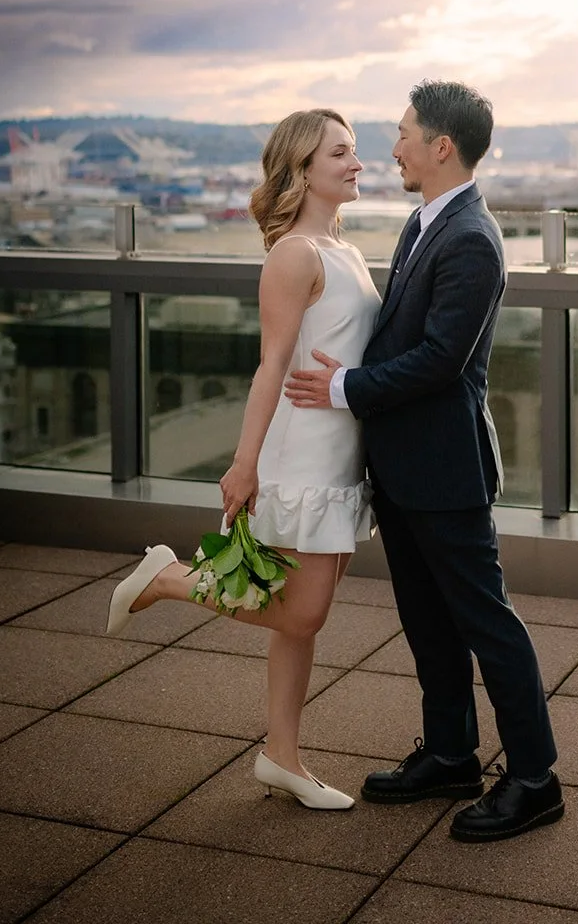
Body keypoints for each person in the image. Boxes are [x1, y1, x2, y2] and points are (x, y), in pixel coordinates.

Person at [285, 79, 562, 841]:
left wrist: (342, 386)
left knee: (487, 625)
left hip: (446, 471)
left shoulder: (471, 237)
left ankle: (536, 779)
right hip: (406, 467)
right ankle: (451, 753)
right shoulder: (425, 221)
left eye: (404, 133)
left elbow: (441, 360)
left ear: (442, 146)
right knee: (428, 624)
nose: (394, 146)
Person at [105, 108, 379, 811]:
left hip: (340, 453)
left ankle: (281, 758)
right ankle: (167, 578)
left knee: (295, 618)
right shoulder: (294, 254)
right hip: (302, 454)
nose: (356, 163)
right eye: (341, 153)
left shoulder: (342, 246)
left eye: (355, 151)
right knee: (303, 613)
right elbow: (270, 366)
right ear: (303, 169)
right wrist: (244, 462)